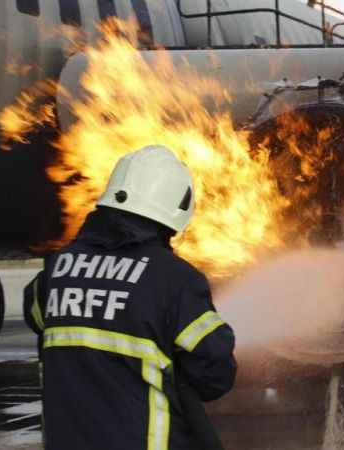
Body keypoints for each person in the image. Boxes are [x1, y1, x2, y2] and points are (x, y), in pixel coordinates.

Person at [23, 145, 236, 450]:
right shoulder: (174, 280)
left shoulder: (58, 269)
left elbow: (36, 316)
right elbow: (215, 375)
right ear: (175, 209)